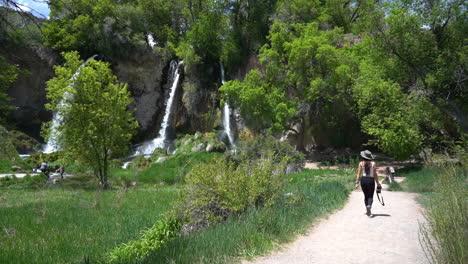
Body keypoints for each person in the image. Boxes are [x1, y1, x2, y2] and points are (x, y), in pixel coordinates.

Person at [355, 150, 381, 216]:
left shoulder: (361, 163)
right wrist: (377, 182)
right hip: (370, 180)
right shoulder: (373, 163)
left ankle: (367, 209)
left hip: (363, 180)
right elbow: (375, 174)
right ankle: (369, 206)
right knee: (370, 196)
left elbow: (358, 174)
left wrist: (357, 182)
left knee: (366, 196)